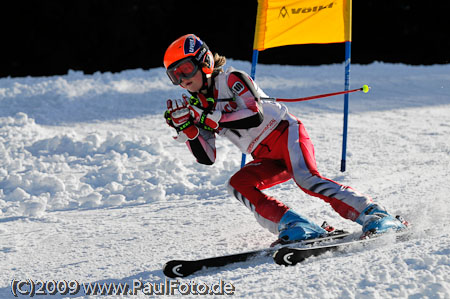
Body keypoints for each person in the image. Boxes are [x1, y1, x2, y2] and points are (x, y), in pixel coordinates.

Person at [163, 34, 407, 244]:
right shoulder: (197, 107)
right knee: (238, 185)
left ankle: (375, 215)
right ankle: (297, 226)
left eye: (186, 69)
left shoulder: (231, 79)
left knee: (307, 179)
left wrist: (210, 118)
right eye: (175, 75)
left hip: (285, 133)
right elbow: (207, 157)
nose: (183, 79)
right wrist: (190, 130)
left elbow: (253, 115)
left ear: (204, 61)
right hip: (264, 153)